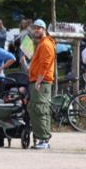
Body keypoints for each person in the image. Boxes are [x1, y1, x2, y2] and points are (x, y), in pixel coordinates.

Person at [28, 19, 55, 150]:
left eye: (39, 28)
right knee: (36, 109)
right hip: (37, 81)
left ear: (44, 29)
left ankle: (44, 139)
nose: (36, 30)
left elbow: (45, 65)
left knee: (41, 110)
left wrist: (38, 81)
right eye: (35, 28)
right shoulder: (41, 43)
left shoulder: (46, 44)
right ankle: (41, 138)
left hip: (42, 82)